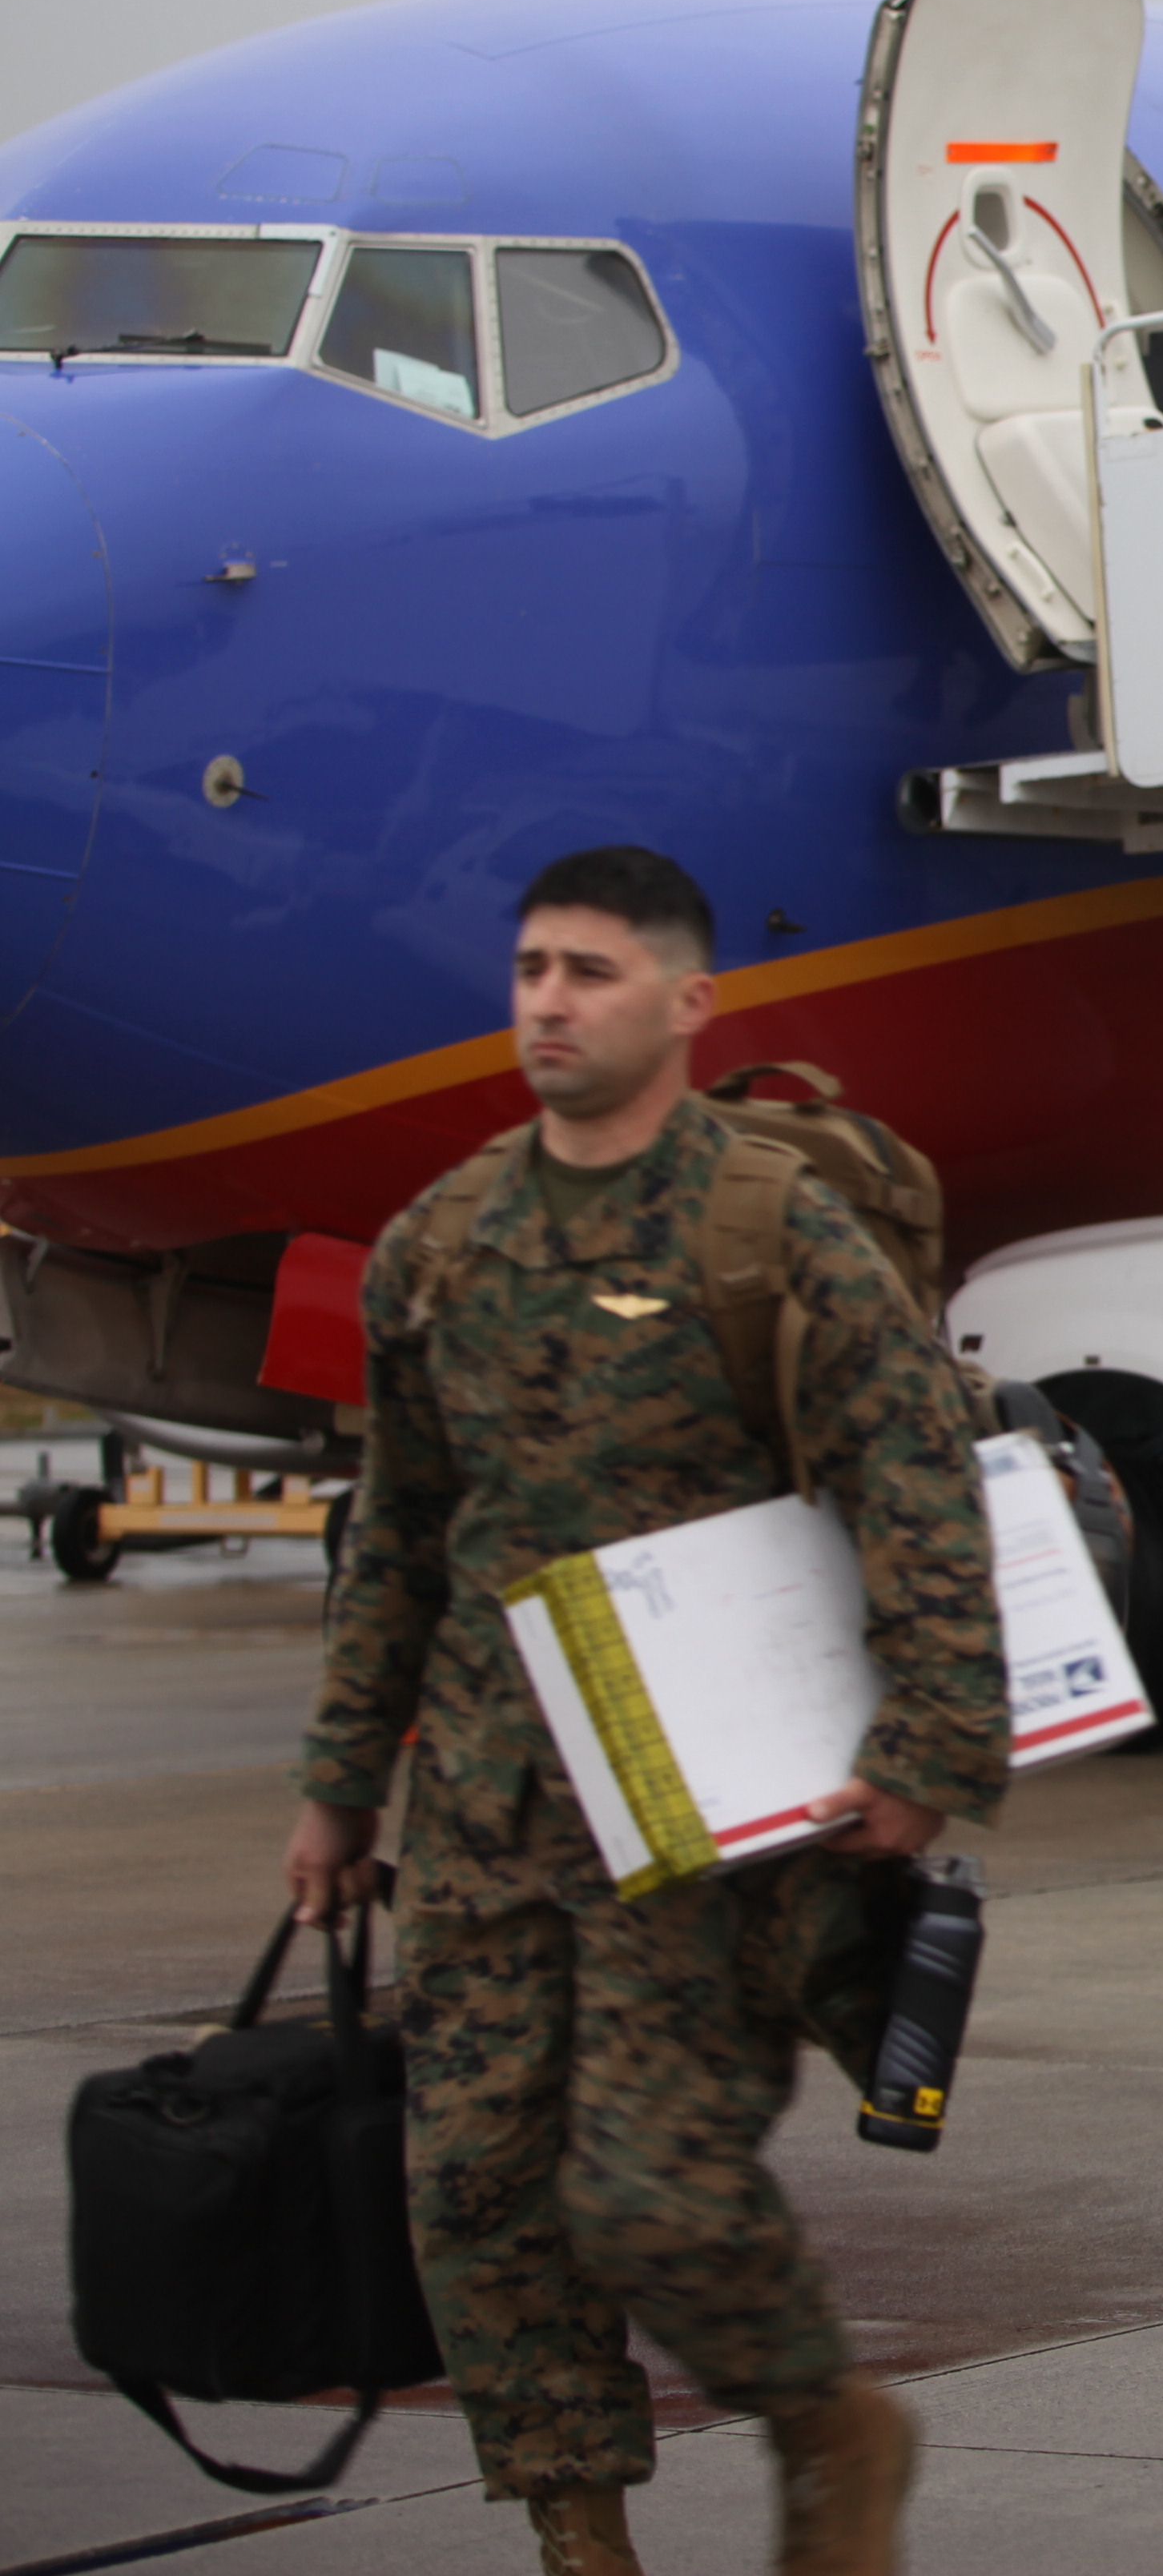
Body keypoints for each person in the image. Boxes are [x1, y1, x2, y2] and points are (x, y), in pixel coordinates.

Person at [286, 846, 1000, 2576]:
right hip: (480, 1812)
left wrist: (924, 1752)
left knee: (650, 2197)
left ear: (688, 1005)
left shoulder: (768, 1230)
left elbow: (917, 1482)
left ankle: (830, 2418)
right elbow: (399, 1533)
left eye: (591, 970)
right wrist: (335, 1788)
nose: (547, 999)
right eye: (532, 966)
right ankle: (579, 2545)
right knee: (478, 2203)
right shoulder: (441, 1243)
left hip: (703, 1827)